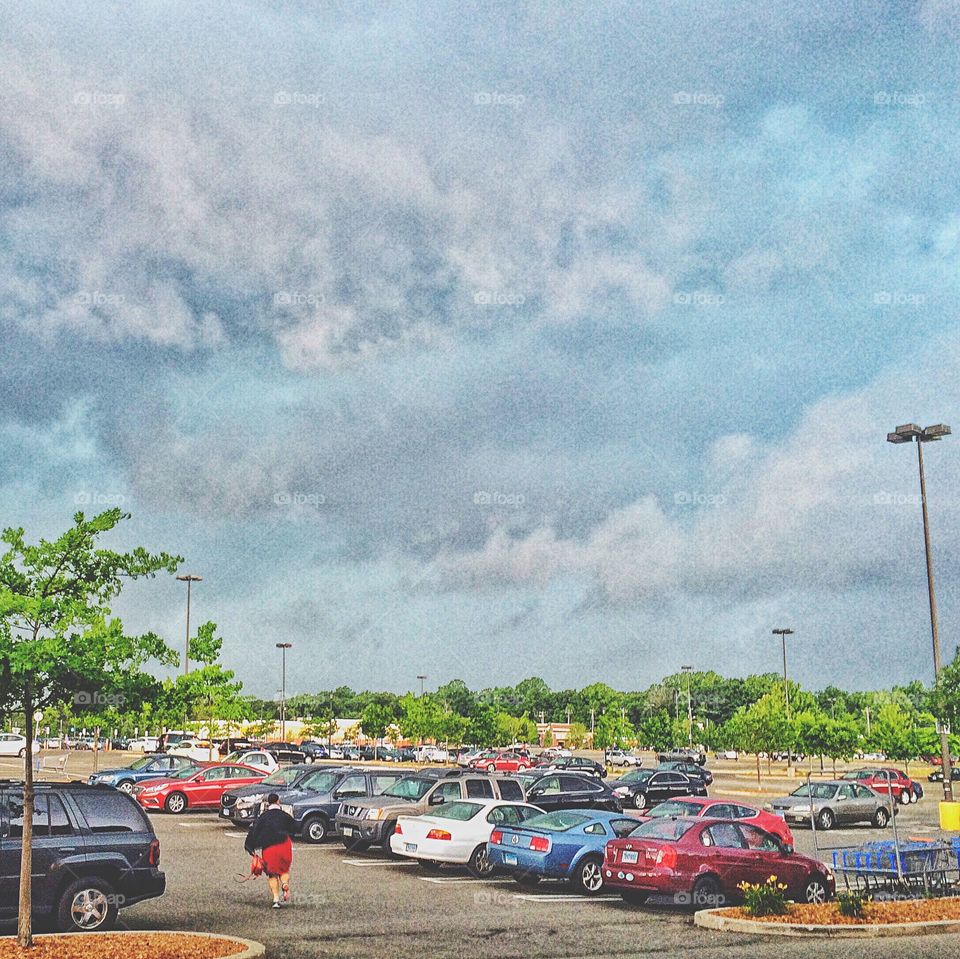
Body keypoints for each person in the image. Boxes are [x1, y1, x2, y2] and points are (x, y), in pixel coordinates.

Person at [244, 793, 296, 908]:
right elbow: (294, 828)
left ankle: (276, 899)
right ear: (278, 801)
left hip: (269, 847)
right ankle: (285, 884)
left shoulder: (263, 817)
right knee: (284, 870)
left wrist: (250, 847)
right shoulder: (285, 815)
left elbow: (254, 831)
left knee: (272, 874)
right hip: (284, 845)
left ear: (268, 802)